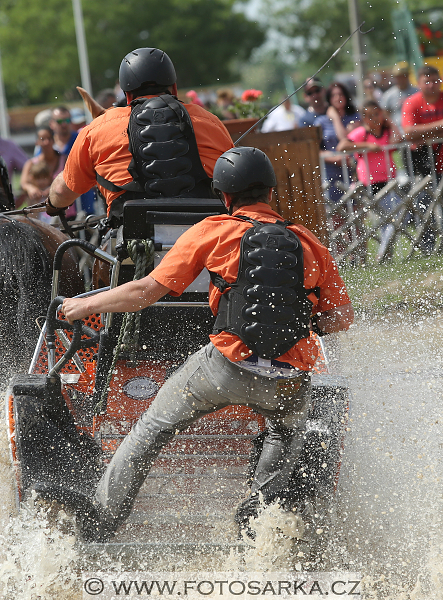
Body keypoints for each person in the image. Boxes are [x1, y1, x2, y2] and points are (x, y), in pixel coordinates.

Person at [44, 147, 354, 541]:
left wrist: (81, 305)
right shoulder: (310, 243)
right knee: (282, 433)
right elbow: (341, 318)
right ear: (272, 194)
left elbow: (143, 291)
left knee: (150, 429)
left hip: (224, 368)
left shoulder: (215, 229)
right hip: (290, 380)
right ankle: (259, 526)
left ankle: (102, 518)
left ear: (224, 197)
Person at [46, 47, 234, 225]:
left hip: (131, 242)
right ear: (174, 88)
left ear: (127, 96)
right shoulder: (211, 122)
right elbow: (236, 182)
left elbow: (63, 191)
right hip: (206, 236)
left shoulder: (95, 130)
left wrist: (52, 205)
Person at [402, 65, 443, 252]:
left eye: (434, 80)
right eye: (427, 81)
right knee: (423, 206)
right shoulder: (411, 102)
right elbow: (408, 132)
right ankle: (427, 247)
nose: (431, 85)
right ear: (419, 83)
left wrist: (424, 133)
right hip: (421, 164)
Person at [337, 100, 402, 262]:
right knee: (386, 219)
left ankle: (384, 252)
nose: (374, 119)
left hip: (389, 181)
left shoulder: (387, 131)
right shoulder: (361, 133)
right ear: (364, 118)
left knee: (395, 217)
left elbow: (397, 140)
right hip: (370, 183)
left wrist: (390, 121)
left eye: (377, 114)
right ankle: (380, 253)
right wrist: (366, 145)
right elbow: (342, 146)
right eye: (370, 116)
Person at [318, 82, 362, 205]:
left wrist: (336, 118)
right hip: (331, 173)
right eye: (334, 95)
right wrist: (333, 158)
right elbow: (316, 150)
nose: (338, 98)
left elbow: (345, 141)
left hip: (352, 171)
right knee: (336, 214)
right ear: (329, 99)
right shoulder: (321, 121)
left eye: (341, 94)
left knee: (356, 211)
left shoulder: (355, 118)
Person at [20, 127, 67, 207]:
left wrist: (52, 189)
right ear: (37, 142)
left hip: (64, 209)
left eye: (49, 138)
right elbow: (23, 183)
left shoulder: (65, 160)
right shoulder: (31, 163)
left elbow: (71, 180)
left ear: (54, 139)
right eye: (42, 139)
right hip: (40, 212)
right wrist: (31, 188)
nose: (46, 142)